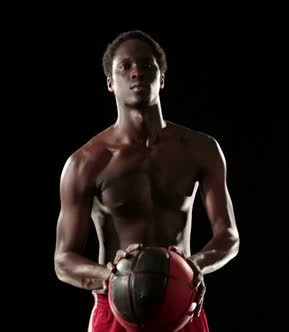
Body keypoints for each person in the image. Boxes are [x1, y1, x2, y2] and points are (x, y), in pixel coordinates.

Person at [54, 30, 240, 332]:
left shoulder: (200, 149)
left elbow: (229, 235)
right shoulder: (86, 162)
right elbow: (63, 260)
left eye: (146, 64)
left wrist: (195, 266)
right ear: (110, 82)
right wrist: (109, 276)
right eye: (125, 66)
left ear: (162, 77)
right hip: (115, 309)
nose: (137, 72)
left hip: (182, 304)